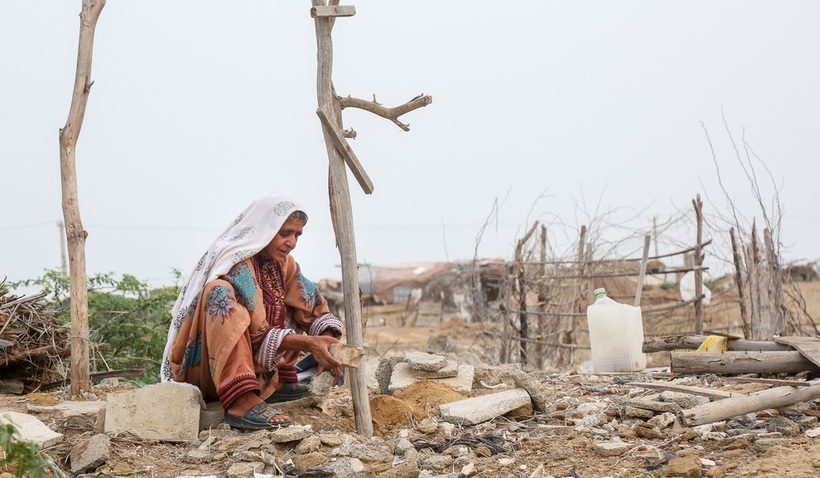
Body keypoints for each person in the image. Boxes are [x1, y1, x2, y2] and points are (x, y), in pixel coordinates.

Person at [160, 192, 344, 430]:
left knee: (296, 305)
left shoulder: (284, 264)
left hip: (256, 367)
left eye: (297, 234)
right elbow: (258, 333)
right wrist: (310, 344)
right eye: (285, 233)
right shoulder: (237, 261)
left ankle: (271, 385)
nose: (292, 242)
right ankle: (241, 400)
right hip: (208, 372)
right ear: (264, 230)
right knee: (219, 292)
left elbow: (311, 304)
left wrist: (330, 345)